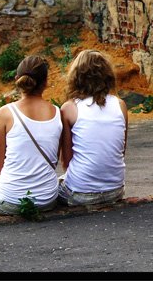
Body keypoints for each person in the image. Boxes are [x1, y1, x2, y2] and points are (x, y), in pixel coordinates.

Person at [0, 55, 63, 215]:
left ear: (17, 79)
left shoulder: (6, 112)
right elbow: (54, 160)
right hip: (47, 199)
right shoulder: (57, 113)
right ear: (45, 83)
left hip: (10, 200)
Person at [58, 49, 128, 207]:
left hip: (81, 193)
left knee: (51, 189)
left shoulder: (69, 108)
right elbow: (121, 150)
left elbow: (66, 162)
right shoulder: (120, 105)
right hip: (115, 190)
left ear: (76, 77)